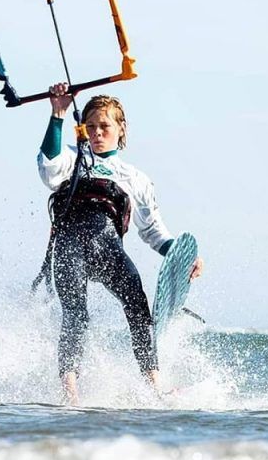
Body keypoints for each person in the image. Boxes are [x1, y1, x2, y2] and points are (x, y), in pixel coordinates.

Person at [37, 82, 203, 405]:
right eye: (91, 127)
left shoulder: (135, 178)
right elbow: (47, 169)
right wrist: (57, 114)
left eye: (105, 126)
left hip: (109, 251)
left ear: (120, 129)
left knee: (138, 304)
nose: (97, 133)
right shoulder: (71, 160)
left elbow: (153, 231)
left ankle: (155, 384)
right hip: (70, 247)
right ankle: (70, 394)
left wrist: (182, 258)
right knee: (76, 315)